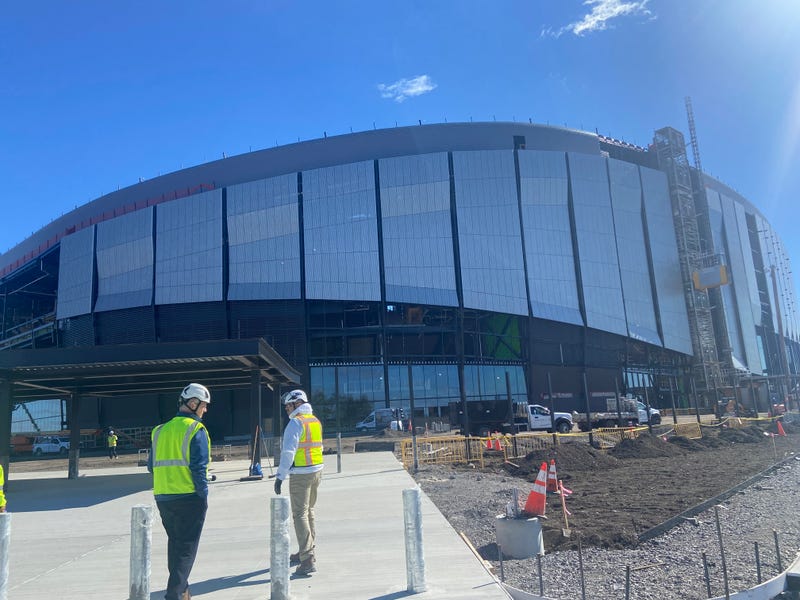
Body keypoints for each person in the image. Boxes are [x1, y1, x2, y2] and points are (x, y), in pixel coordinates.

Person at [148, 383, 211, 600]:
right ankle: (174, 595)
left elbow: (151, 466)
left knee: (175, 545)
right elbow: (198, 467)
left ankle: (183, 592)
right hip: (189, 497)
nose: (205, 410)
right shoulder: (196, 430)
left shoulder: (159, 431)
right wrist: (203, 495)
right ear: (193, 404)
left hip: (163, 497)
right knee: (186, 550)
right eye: (203, 405)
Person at [274, 389, 324, 576]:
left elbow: (288, 453)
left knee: (299, 514)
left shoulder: (296, 423)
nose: (287, 409)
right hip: (317, 471)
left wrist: (280, 476)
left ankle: (307, 558)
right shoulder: (314, 420)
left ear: (297, 404)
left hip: (301, 475)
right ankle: (308, 550)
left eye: (288, 405)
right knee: (309, 511)